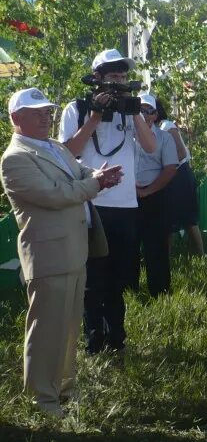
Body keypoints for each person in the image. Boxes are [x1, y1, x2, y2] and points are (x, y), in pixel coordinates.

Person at [1, 88, 121, 416]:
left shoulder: (53, 146)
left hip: (73, 249)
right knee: (46, 331)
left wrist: (94, 177)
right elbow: (54, 195)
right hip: (48, 255)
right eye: (36, 111)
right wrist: (96, 183)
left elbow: (79, 174)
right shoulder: (14, 159)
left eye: (47, 110)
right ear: (16, 119)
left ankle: (65, 390)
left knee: (68, 329)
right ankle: (42, 401)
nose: (45, 115)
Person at [60, 48, 157, 355]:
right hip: (92, 204)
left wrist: (135, 114)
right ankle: (94, 340)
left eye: (123, 75)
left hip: (126, 206)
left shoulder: (130, 109)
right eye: (113, 76)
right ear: (97, 78)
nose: (119, 81)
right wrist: (95, 118)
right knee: (93, 277)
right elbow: (67, 153)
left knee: (119, 276)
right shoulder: (76, 108)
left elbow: (151, 147)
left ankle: (117, 338)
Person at [134, 94, 179, 297]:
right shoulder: (124, 135)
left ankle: (160, 292)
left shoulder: (164, 137)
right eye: (141, 110)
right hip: (127, 196)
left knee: (157, 247)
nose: (145, 114)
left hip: (155, 195)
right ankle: (129, 291)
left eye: (149, 111)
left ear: (155, 115)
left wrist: (146, 191)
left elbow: (170, 169)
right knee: (128, 246)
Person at [156, 99, 204, 256]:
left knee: (188, 218)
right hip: (168, 175)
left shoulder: (166, 126)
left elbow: (181, 153)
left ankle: (201, 255)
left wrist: (163, 165)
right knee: (168, 219)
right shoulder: (152, 129)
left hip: (180, 175)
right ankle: (167, 257)